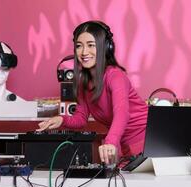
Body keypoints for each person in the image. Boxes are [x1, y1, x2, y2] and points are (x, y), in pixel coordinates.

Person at [37, 20, 148, 165]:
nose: (84, 52)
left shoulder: (115, 76)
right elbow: (81, 118)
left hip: (146, 139)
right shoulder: (83, 82)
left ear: (105, 47)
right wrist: (61, 120)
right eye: (79, 46)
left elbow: (122, 112)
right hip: (121, 143)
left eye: (91, 45)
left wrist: (110, 141)